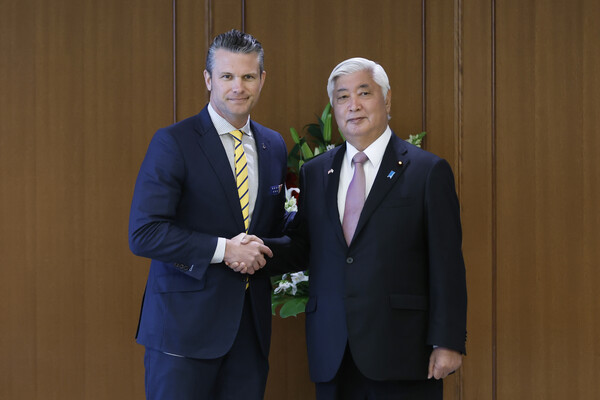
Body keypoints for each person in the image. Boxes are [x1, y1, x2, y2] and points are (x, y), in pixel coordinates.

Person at [263, 57, 467, 399]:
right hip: (332, 351)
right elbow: (303, 246)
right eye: (342, 97)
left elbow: (447, 264)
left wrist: (448, 341)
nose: (353, 105)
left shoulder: (427, 171)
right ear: (334, 107)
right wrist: (246, 249)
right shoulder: (316, 172)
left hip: (402, 351)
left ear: (387, 99)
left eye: (364, 93)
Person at [128, 29, 286, 399]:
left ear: (262, 79)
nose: (238, 87)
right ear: (208, 79)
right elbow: (145, 233)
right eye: (227, 76)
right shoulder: (173, 142)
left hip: (249, 334)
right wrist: (225, 250)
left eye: (248, 76)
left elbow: (274, 229)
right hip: (182, 332)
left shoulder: (274, 144)